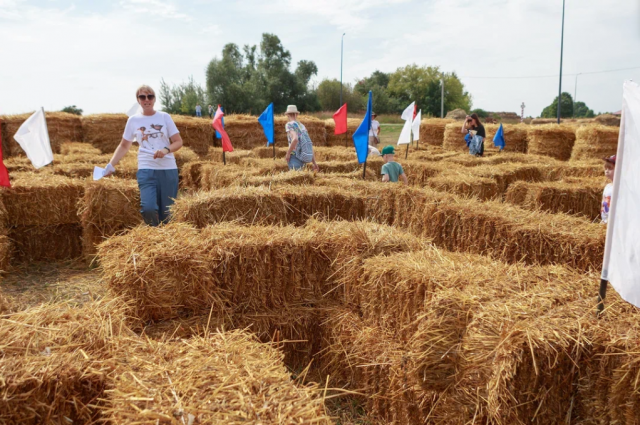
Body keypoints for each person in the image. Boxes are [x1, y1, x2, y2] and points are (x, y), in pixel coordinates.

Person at [106, 84, 183, 226]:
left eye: (150, 96)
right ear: (138, 100)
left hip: (168, 169)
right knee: (148, 208)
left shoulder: (164, 117)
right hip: (146, 169)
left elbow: (178, 142)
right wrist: (111, 164)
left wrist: (165, 150)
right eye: (142, 97)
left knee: (167, 213)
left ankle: (165, 241)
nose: (146, 100)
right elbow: (124, 145)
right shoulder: (133, 120)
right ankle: (153, 232)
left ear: (154, 99)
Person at [285, 105, 319, 171]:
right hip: (302, 157)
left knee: (295, 180)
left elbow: (295, 139)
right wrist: (314, 162)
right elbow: (309, 144)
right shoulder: (302, 126)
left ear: (287, 115)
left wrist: (288, 153)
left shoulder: (289, 125)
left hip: (294, 157)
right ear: (297, 114)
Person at [601, 155, 616, 224]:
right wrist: (603, 219)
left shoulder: (620, 188)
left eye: (610, 168)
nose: (607, 171)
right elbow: (603, 203)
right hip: (606, 221)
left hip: (614, 222)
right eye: (606, 168)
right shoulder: (607, 187)